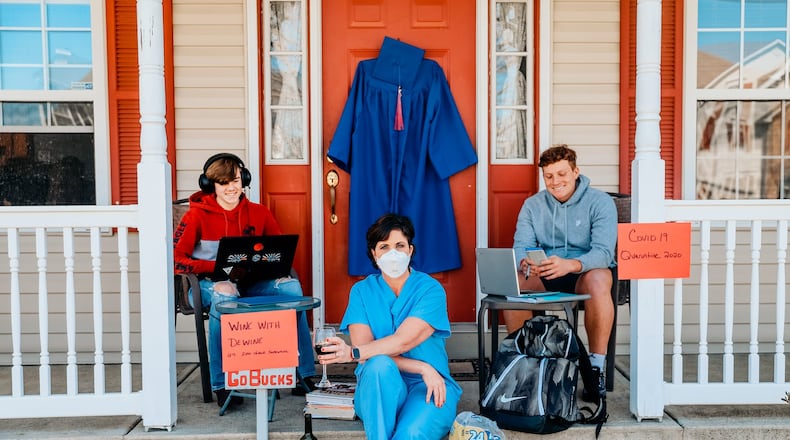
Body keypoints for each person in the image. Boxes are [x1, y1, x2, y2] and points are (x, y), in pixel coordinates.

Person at [173, 153, 317, 407]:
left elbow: (278, 251)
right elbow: (175, 260)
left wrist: (276, 268)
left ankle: (302, 373)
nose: (231, 188)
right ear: (211, 185)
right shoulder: (195, 217)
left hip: (251, 282)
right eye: (223, 182)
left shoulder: (259, 213)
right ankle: (223, 383)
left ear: (244, 180)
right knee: (224, 297)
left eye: (236, 181)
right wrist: (218, 270)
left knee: (292, 287)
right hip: (209, 284)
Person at [318, 213, 462, 439]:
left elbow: (402, 341)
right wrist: (423, 367)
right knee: (378, 365)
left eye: (400, 245)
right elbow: (368, 355)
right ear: (374, 254)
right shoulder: (361, 292)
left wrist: (351, 353)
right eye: (384, 246)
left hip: (429, 386)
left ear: (410, 250)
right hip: (378, 387)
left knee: (411, 433)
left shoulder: (430, 290)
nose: (393, 253)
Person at [506, 144, 617, 396]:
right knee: (514, 281)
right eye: (549, 176)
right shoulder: (533, 205)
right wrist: (526, 263)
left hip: (583, 274)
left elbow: (604, 252)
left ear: (576, 171)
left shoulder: (600, 202)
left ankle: (595, 369)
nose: (555, 181)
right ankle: (524, 364)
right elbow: (521, 246)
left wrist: (571, 264)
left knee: (600, 277)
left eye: (562, 174)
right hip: (545, 273)